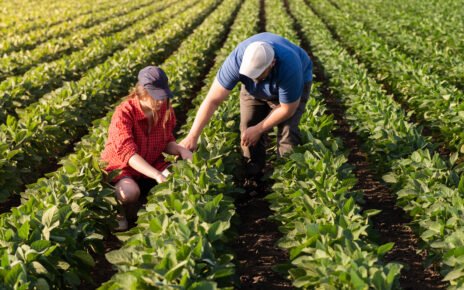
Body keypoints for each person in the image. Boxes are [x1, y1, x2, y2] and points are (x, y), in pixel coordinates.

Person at [180, 32, 312, 178]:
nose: (255, 80)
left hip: (290, 87)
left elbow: (287, 109)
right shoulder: (237, 60)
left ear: (272, 63)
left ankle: (289, 178)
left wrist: (259, 129)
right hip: (252, 92)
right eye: (251, 75)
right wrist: (192, 136)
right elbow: (212, 100)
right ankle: (253, 173)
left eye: (258, 75)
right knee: (247, 128)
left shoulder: (290, 66)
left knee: (288, 131)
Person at [101, 66, 192, 231]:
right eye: (156, 97)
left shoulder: (164, 109)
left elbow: (166, 142)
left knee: (178, 179)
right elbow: (129, 155)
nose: (160, 102)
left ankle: (154, 210)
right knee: (129, 193)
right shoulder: (124, 113)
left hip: (151, 160)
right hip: (123, 166)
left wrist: (181, 150)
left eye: (163, 97)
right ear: (141, 93)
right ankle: (119, 210)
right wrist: (156, 175)